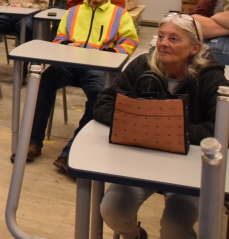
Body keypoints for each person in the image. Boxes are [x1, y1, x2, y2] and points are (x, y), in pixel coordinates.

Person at [95, 13, 228, 239]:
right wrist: (149, 126)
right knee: (112, 211)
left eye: (174, 39)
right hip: (143, 161)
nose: (163, 43)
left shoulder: (210, 78)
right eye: (161, 36)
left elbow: (222, 130)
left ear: (194, 48)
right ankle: (135, 235)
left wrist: (164, 130)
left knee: (174, 228)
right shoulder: (143, 66)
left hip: (191, 170)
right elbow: (104, 103)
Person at [15, 0, 138, 172]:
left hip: (98, 67)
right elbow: (59, 37)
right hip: (70, 64)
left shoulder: (119, 14)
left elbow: (130, 42)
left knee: (100, 97)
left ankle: (71, 151)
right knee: (42, 82)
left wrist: (107, 53)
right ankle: (33, 142)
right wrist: (65, 45)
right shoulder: (74, 12)